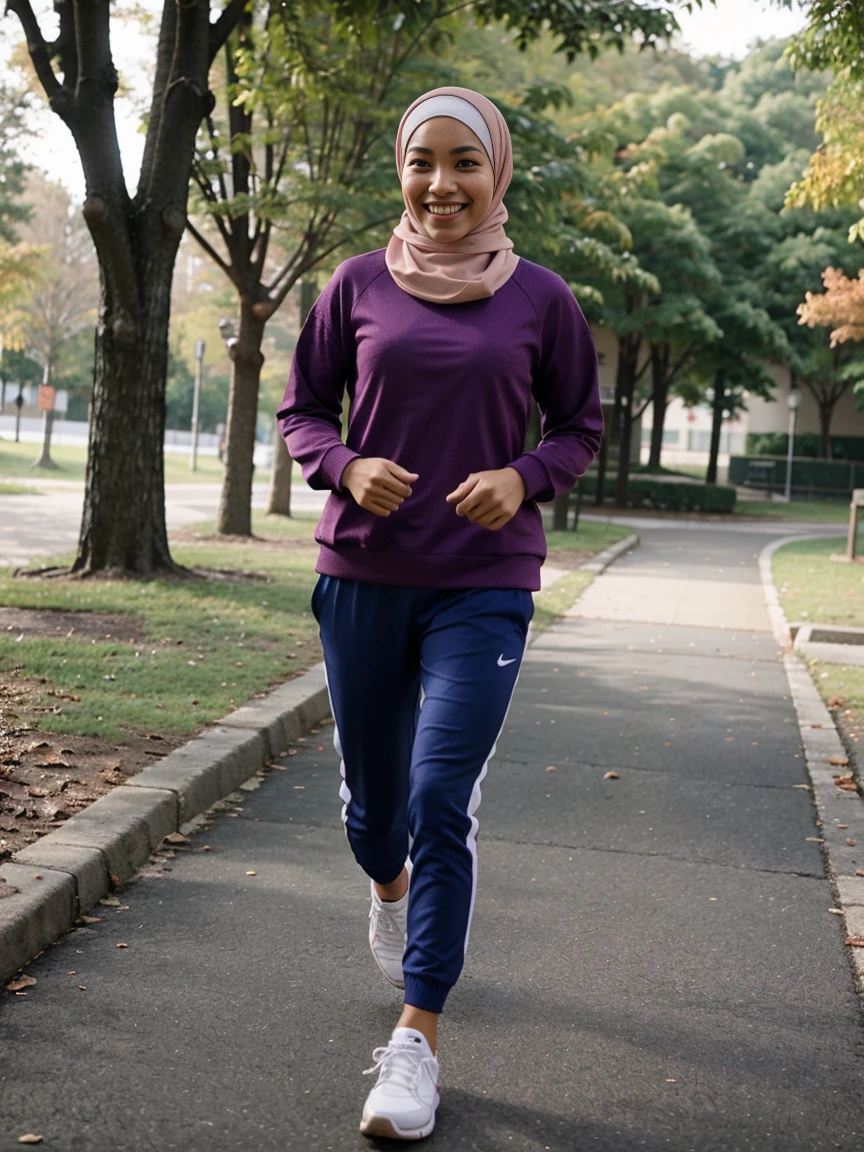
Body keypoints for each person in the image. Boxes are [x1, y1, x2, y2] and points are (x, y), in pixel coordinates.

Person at [277, 86, 603, 1142]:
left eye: (465, 162)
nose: (442, 183)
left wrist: (524, 477)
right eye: (424, 162)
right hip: (365, 575)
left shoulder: (542, 299)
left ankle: (415, 1038)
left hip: (486, 581)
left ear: (496, 173)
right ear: (401, 172)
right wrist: (345, 463)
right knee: (380, 813)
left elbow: (580, 424)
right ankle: (386, 883)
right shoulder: (356, 284)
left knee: (440, 791)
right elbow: (301, 410)